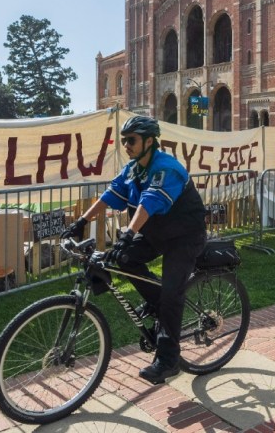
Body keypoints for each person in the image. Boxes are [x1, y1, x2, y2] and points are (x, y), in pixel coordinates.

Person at [63, 115, 207, 384]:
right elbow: (109, 195)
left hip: (185, 237)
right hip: (158, 234)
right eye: (124, 140)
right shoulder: (132, 169)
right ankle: (157, 303)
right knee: (125, 259)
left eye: (131, 140)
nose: (126, 145)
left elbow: (150, 202)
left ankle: (168, 360)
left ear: (149, 141)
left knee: (172, 294)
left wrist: (128, 233)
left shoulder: (167, 167)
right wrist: (80, 222)